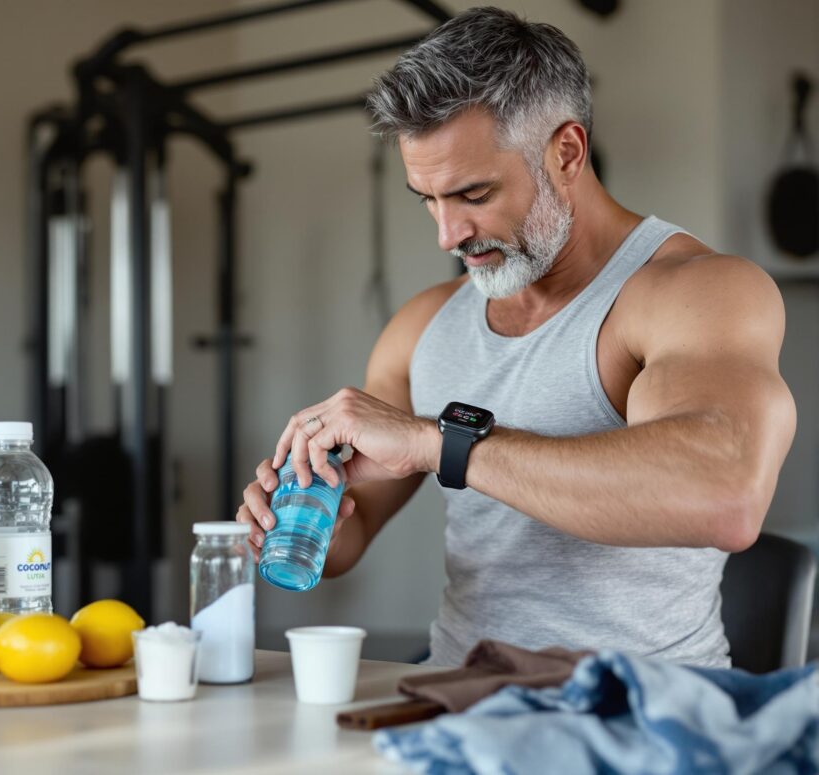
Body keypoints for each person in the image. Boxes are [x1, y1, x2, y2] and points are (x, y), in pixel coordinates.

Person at [236, 6, 796, 667]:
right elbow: (346, 540)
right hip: (453, 702)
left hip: (638, 720)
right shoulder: (421, 327)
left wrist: (440, 444)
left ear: (566, 152)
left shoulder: (695, 293)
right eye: (429, 199)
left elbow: (723, 496)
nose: (448, 235)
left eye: (473, 194)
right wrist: (299, 517)